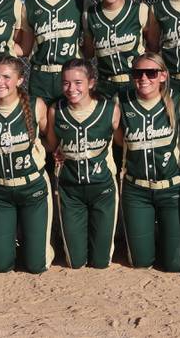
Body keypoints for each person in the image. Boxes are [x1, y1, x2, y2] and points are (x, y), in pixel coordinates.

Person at [0, 55, 53, 273]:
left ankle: (37, 246)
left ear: (19, 80)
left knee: (37, 266)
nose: (0, 83)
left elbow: (51, 140)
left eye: (7, 77)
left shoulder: (36, 106)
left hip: (32, 189)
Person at [45, 59, 120, 269]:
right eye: (66, 83)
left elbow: (123, 142)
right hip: (71, 191)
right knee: (75, 262)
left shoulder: (110, 110)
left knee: (100, 262)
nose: (71, 88)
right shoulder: (56, 111)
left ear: (91, 83)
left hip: (103, 189)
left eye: (78, 82)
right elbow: (51, 145)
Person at [116, 52, 180, 272]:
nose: (144, 78)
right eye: (138, 73)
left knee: (174, 265)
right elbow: (114, 138)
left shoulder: (178, 101)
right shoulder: (121, 102)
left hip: (172, 188)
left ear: (163, 76)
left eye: (151, 73)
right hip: (136, 190)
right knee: (140, 262)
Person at [18, 0, 86, 103]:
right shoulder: (29, 5)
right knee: (41, 125)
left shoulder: (80, 2)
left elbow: (89, 46)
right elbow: (26, 48)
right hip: (40, 78)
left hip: (71, 77)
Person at [83, 0, 148, 99]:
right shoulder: (89, 15)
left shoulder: (139, 10)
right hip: (105, 87)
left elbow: (152, 48)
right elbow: (88, 53)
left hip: (135, 84)